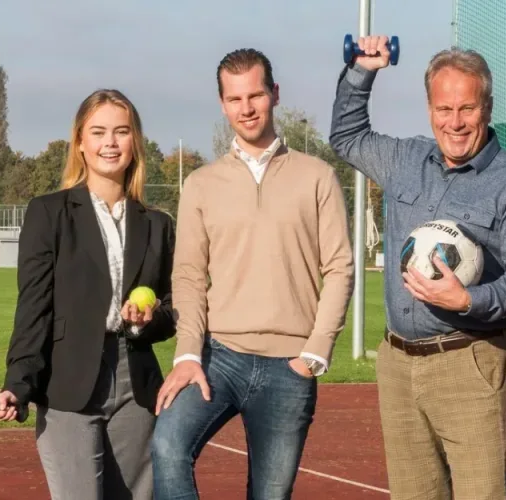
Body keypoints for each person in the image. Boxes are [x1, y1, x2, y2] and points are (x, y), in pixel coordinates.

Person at [329, 37, 506, 500]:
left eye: (467, 108)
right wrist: (362, 71)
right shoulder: (405, 159)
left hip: (470, 359)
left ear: (487, 107)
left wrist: (469, 299)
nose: (455, 122)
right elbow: (346, 137)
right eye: (443, 108)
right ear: (430, 108)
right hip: (397, 363)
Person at [150, 48, 354, 500]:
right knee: (166, 445)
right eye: (235, 98)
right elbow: (187, 275)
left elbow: (339, 267)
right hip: (218, 357)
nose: (247, 108)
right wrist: (187, 354)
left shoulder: (317, 177)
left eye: (256, 95)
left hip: (290, 366)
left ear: (274, 95)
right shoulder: (201, 184)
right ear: (223, 104)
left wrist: (315, 354)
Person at [0, 88, 178, 500]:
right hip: (67, 382)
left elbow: (170, 310)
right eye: (98, 132)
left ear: (135, 141)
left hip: (137, 385)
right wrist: (18, 383)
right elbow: (34, 309)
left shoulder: (158, 224)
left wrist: (148, 321)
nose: (110, 143)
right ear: (80, 142)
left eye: (121, 132)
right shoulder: (49, 212)